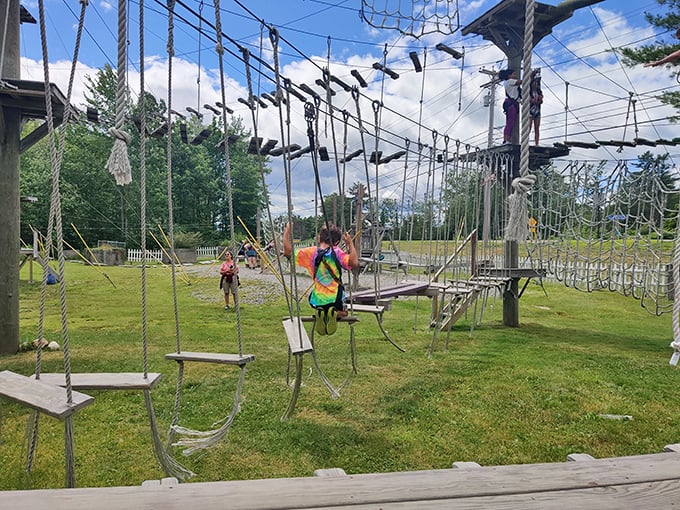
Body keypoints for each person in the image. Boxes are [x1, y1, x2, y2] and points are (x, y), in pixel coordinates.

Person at [283, 222, 358, 336]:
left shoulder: (311, 253)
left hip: (318, 299)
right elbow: (354, 263)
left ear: (319, 238)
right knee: (344, 312)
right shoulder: (337, 252)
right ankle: (334, 312)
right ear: (337, 242)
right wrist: (350, 244)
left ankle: (321, 312)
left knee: (313, 299)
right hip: (335, 298)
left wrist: (287, 231)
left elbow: (288, 252)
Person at [500, 68, 522, 144]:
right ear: (509, 75)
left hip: (512, 103)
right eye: (514, 74)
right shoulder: (510, 81)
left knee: (511, 123)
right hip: (511, 104)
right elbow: (520, 82)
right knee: (510, 123)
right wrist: (529, 77)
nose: (516, 75)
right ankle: (506, 139)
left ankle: (507, 139)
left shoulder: (511, 83)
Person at [529, 74, 543, 146]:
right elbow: (529, 100)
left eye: (536, 83)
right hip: (530, 110)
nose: (535, 84)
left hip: (537, 110)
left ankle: (537, 142)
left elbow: (541, 101)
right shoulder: (529, 91)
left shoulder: (539, 92)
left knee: (537, 127)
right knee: (529, 126)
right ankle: (526, 140)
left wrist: (538, 100)